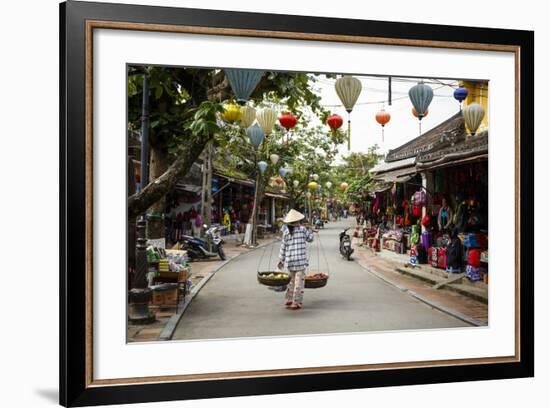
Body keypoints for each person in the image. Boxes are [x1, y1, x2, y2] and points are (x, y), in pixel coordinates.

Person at [277, 209, 314, 310]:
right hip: (300, 262)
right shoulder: (302, 230)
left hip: (290, 262)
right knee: (298, 283)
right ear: (297, 221)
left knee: (291, 281)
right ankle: (296, 302)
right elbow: (310, 239)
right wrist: (310, 230)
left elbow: (283, 247)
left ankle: (289, 299)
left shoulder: (286, 232)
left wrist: (281, 260)